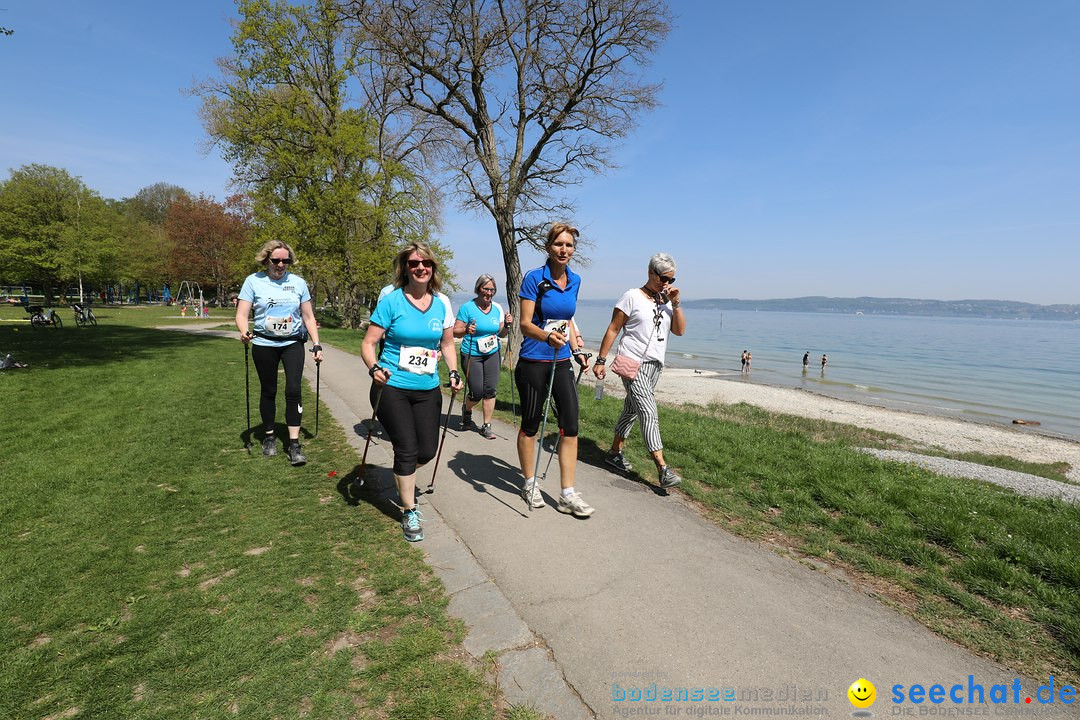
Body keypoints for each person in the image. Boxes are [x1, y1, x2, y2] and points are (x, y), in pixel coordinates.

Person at [361, 243, 463, 542]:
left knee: (427, 451)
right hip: (392, 386)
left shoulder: (441, 303)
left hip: (428, 388)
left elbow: (446, 344)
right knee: (406, 447)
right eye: (414, 263)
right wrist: (374, 368)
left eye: (426, 263)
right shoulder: (392, 301)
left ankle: (401, 473)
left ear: (433, 268)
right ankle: (408, 510)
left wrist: (454, 372)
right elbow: (369, 343)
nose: (421, 268)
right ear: (405, 268)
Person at [516, 223, 592, 517]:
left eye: (569, 245)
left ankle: (568, 493)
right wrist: (546, 336)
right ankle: (529, 482)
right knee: (531, 424)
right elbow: (525, 323)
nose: (564, 250)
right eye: (558, 244)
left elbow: (568, 321)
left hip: (561, 363)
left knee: (570, 427)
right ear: (548, 247)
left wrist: (577, 350)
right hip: (534, 360)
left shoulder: (575, 280)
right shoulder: (535, 279)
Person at [594, 253, 686, 489]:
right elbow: (614, 329)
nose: (667, 283)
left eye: (671, 280)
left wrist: (675, 303)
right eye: (664, 278)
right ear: (650, 273)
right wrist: (601, 359)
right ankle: (662, 468)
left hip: (655, 365)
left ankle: (614, 452)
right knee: (648, 411)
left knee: (632, 409)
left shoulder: (665, 301)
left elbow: (679, 331)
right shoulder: (631, 296)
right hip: (631, 362)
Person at [235, 240, 323, 466]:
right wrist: (244, 332)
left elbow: (308, 316)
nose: (281, 264)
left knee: (294, 389)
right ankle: (269, 436)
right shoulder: (253, 281)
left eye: (286, 260)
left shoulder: (298, 283)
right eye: (276, 260)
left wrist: (316, 343)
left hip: (292, 342)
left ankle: (294, 444)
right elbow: (242, 314)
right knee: (269, 390)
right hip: (264, 343)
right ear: (266, 259)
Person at [454, 274, 513, 439]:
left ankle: (486, 425)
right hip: (472, 353)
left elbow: (501, 333)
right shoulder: (467, 308)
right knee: (477, 392)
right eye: (486, 289)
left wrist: (507, 325)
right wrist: (466, 330)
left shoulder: (497, 308)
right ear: (478, 288)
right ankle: (467, 408)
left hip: (492, 352)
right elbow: (455, 331)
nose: (489, 293)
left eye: (492, 290)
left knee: (490, 390)